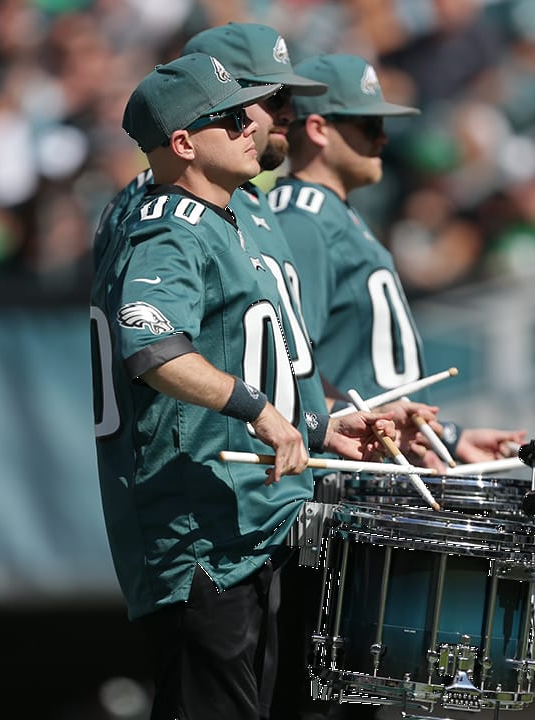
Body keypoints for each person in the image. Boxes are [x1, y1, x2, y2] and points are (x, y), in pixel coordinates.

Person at [91, 53, 395, 720]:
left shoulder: (225, 220)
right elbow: (152, 347)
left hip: (244, 530)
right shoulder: (168, 226)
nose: (253, 127)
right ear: (182, 143)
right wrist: (256, 408)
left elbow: (243, 355)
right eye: (230, 119)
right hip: (199, 536)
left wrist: (317, 426)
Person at [272, 54, 528, 467]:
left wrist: (444, 436)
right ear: (319, 129)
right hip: (348, 475)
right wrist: (351, 426)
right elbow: (287, 368)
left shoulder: (335, 213)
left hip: (382, 464)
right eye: (370, 125)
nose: (382, 139)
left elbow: (376, 380)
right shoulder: (302, 221)